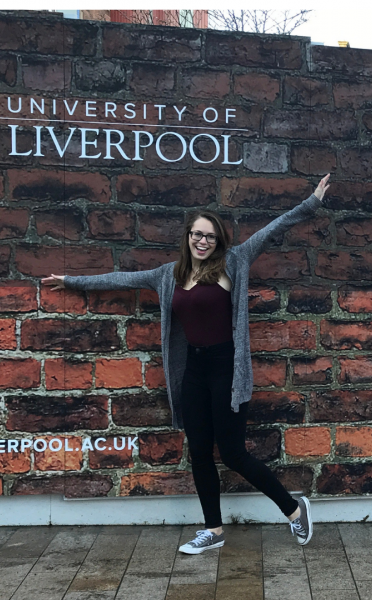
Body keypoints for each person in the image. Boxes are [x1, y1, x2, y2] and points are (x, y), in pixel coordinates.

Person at [42, 174, 331, 554]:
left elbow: (274, 229)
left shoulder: (234, 262)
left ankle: (294, 511)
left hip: (227, 368)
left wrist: (311, 202)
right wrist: (72, 281)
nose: (202, 241)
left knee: (232, 454)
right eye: (197, 234)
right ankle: (213, 530)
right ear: (188, 236)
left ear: (219, 241)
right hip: (191, 371)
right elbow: (121, 278)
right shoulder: (169, 275)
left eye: (210, 236)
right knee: (198, 451)